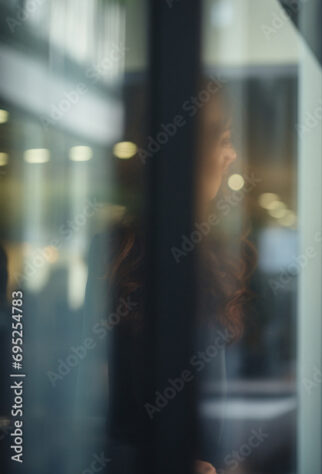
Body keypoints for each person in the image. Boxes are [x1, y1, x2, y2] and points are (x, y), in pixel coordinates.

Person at [78, 76, 256, 474]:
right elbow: (82, 411)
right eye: (221, 139)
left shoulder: (205, 251)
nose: (230, 155)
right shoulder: (120, 253)